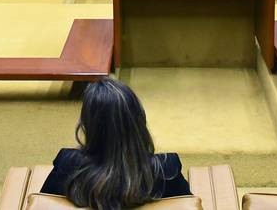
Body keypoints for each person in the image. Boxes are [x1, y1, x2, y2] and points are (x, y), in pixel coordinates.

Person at [41, 78, 190, 210]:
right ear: (138, 120)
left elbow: (45, 202)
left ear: (88, 125)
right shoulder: (166, 168)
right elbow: (186, 204)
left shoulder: (68, 163)